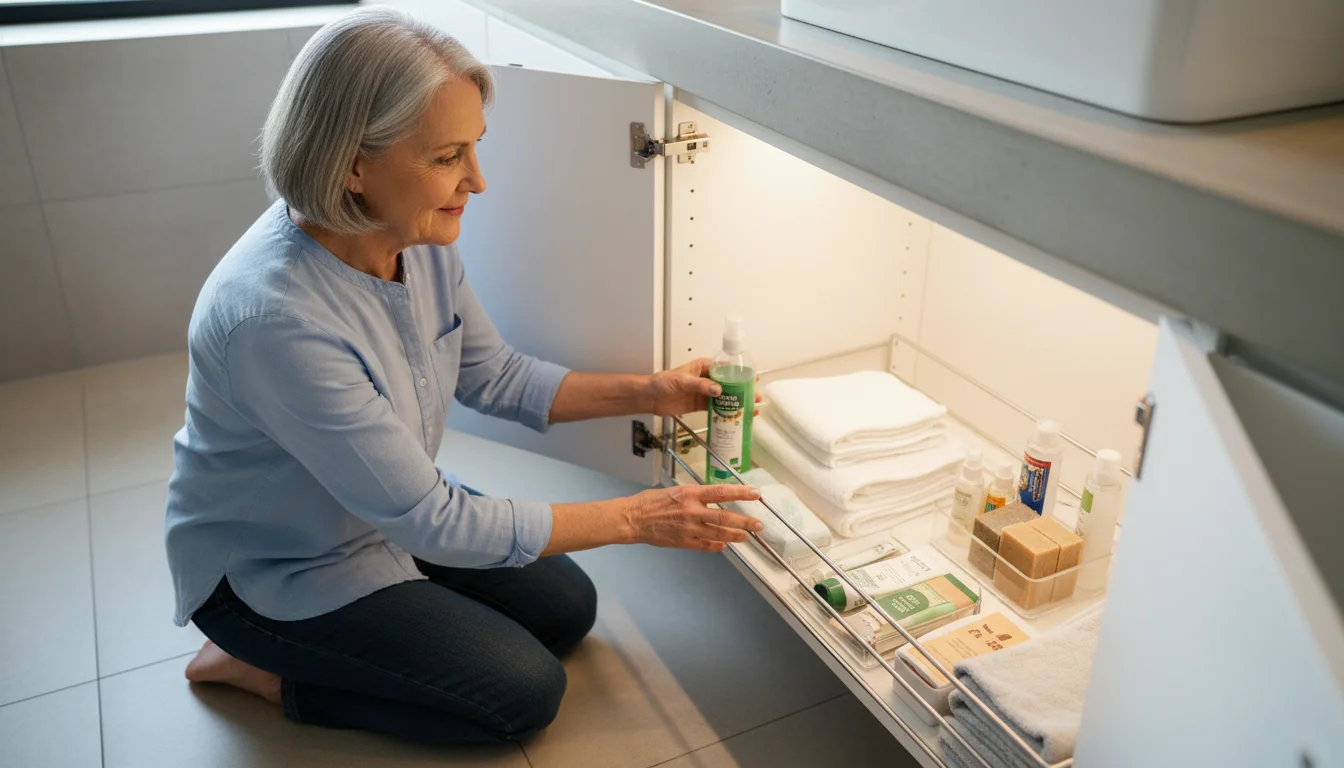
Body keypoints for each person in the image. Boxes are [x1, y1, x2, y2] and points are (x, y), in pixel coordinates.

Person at [165, 6, 762, 747]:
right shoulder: (275, 318)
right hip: (276, 566)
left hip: (377, 505)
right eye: (448, 157)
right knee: (522, 694)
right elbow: (434, 521)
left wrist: (652, 391)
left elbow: (498, 377)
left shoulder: (413, 232)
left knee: (565, 609)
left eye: (475, 149)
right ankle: (261, 667)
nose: (476, 182)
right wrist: (639, 517)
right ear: (353, 162)